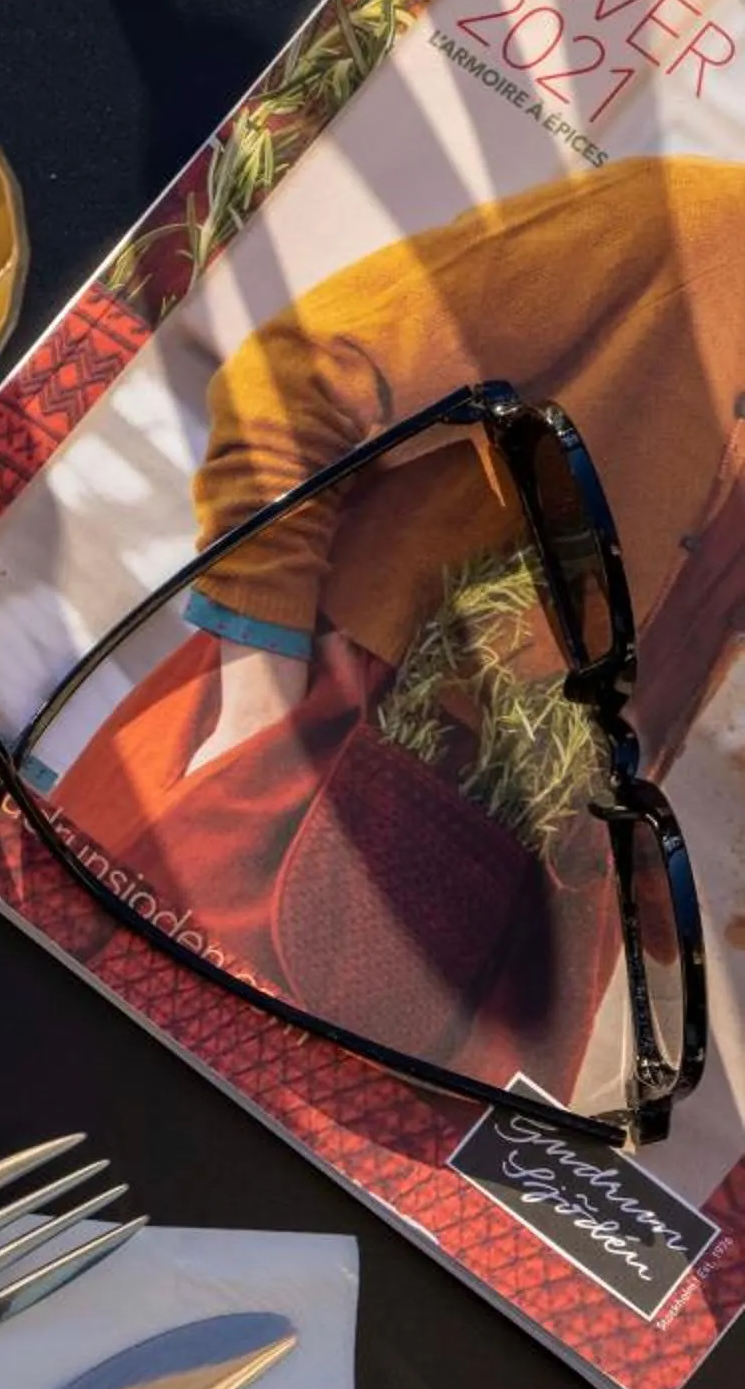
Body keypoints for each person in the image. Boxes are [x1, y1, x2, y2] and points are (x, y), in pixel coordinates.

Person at [49, 153, 745, 1092]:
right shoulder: (697, 225)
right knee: (48, 1071)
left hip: (523, 934)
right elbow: (303, 371)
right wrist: (256, 695)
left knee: (296, 1218)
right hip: (310, 781)